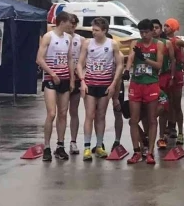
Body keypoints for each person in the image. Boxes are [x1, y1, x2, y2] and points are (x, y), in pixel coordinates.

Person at [76, 17, 124, 160]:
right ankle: (86, 148)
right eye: (93, 30)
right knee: (90, 115)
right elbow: (80, 63)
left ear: (104, 31)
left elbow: (120, 65)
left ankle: (99, 146)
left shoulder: (112, 44)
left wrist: (113, 84)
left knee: (101, 116)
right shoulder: (87, 43)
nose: (94, 32)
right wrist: (82, 81)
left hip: (105, 84)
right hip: (90, 84)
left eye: (96, 30)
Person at [37, 11, 74, 162]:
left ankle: (60, 146)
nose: (72, 25)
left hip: (65, 78)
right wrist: (52, 73)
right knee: (52, 113)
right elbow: (39, 59)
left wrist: (72, 80)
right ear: (62, 22)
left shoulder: (68, 38)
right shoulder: (49, 36)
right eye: (70, 22)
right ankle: (46, 146)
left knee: (63, 113)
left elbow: (70, 59)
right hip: (51, 79)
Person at [126, 19, 164, 165]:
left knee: (152, 119)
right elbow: (131, 57)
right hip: (136, 84)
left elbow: (159, 65)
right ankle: (137, 151)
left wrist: (144, 59)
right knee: (134, 120)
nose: (143, 35)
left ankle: (150, 152)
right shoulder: (136, 43)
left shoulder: (158, 44)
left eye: (146, 32)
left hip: (151, 84)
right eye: (141, 32)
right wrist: (127, 70)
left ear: (152, 31)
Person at [152, 19, 176, 150]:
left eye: (157, 27)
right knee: (150, 109)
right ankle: (149, 136)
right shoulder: (145, 44)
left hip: (164, 78)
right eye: (152, 28)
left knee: (164, 107)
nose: (154, 30)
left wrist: (172, 77)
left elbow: (173, 60)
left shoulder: (167, 43)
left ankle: (162, 136)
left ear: (160, 29)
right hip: (149, 79)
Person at [163, 18, 184, 146]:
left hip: (177, 74)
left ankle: (181, 132)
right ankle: (170, 127)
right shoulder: (162, 40)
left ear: (173, 28)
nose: (165, 28)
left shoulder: (177, 41)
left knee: (176, 104)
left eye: (167, 26)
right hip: (165, 74)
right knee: (167, 103)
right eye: (164, 26)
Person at [67, 14, 83, 156]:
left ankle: (73, 141)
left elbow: (86, 59)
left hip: (77, 78)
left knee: (74, 111)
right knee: (61, 112)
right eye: (70, 23)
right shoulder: (59, 38)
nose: (72, 25)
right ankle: (59, 142)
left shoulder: (81, 40)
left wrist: (81, 71)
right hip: (63, 77)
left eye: (74, 23)